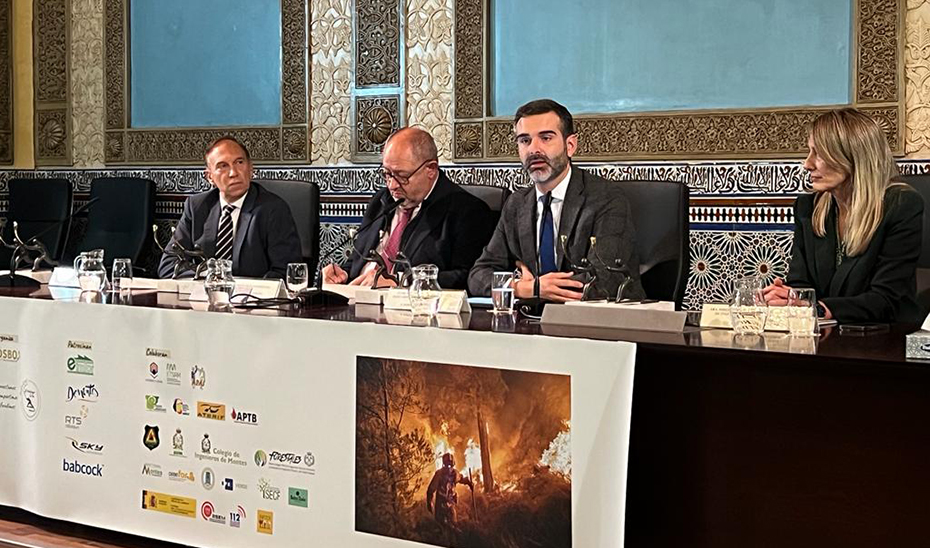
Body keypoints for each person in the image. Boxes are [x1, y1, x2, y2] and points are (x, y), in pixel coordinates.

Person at [467, 99, 644, 302]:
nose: (534, 150)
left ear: (570, 145)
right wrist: (522, 287)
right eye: (525, 140)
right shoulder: (516, 204)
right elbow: (477, 276)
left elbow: (604, 280)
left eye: (546, 138)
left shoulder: (607, 199)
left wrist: (537, 287)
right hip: (529, 324)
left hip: (600, 324)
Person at [762, 108, 924, 323]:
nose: (807, 164)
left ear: (852, 156)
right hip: (824, 337)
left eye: (819, 154)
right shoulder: (808, 206)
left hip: (884, 340)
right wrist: (788, 298)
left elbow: (887, 299)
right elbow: (800, 282)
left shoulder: (901, 205)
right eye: (809, 152)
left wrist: (818, 309)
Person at [322, 127, 495, 290]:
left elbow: (469, 278)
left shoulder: (467, 211)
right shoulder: (381, 201)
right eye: (386, 174)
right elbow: (361, 262)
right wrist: (342, 274)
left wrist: (401, 281)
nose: (392, 185)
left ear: (431, 170)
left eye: (402, 176)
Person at [157, 136, 302, 279]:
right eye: (223, 166)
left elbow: (285, 272)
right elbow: (168, 266)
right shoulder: (197, 207)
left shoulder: (273, 209)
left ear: (251, 168)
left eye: (239, 162)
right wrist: (211, 276)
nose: (234, 173)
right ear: (209, 177)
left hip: (251, 299)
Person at [426, 453, 473, 538]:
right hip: (441, 504)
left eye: (450, 465)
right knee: (441, 526)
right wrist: (429, 502)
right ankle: (443, 539)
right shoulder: (440, 474)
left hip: (450, 503)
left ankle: (453, 539)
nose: (449, 467)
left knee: (452, 525)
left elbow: (462, 479)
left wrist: (469, 483)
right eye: (448, 465)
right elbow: (431, 489)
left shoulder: (455, 473)